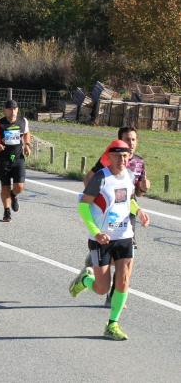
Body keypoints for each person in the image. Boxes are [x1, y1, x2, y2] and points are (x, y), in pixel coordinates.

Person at [69, 140, 150, 341]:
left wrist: (138, 211)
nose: (122, 159)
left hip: (124, 236)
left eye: (125, 156)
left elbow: (128, 200)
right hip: (101, 239)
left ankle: (112, 324)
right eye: (117, 155)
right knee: (102, 288)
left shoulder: (130, 176)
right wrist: (95, 232)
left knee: (123, 280)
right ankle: (86, 279)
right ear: (109, 156)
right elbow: (83, 206)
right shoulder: (101, 178)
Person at [82, 126, 151, 306]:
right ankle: (98, 266)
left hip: (128, 215)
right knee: (111, 258)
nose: (131, 144)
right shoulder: (108, 159)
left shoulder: (139, 162)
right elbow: (88, 180)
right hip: (106, 215)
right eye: (127, 140)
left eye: (134, 140)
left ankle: (115, 296)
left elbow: (138, 192)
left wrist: (144, 188)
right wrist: (98, 195)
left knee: (127, 262)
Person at [0, 99, 31, 222]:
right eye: (10, 109)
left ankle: (13, 195)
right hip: (3, 160)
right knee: (5, 187)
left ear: (17, 110)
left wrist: (27, 144)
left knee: (19, 187)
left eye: (15, 109)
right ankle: (7, 212)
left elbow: (26, 133)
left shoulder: (23, 121)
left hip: (18, 159)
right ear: (5, 111)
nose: (13, 111)